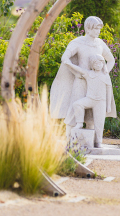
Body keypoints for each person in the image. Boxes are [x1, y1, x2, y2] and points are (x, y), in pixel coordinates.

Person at [49, 16, 116, 144]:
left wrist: (104, 72)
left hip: (96, 85)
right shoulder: (77, 42)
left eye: (99, 29)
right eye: (96, 28)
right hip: (80, 82)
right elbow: (65, 58)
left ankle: (91, 142)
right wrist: (75, 72)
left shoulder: (100, 43)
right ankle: (70, 140)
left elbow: (111, 60)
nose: (98, 31)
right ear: (88, 28)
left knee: (92, 115)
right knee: (75, 109)